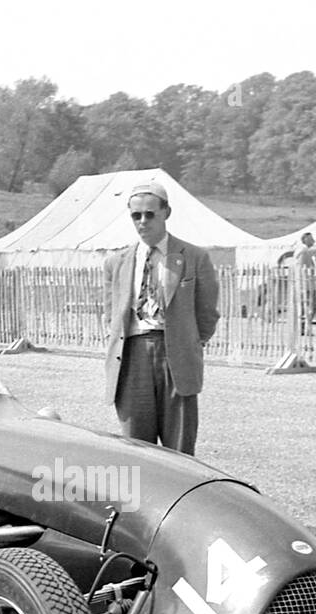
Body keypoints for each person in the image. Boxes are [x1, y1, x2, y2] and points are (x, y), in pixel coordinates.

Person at [103, 179, 220, 455]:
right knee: (136, 448)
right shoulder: (116, 262)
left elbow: (207, 313)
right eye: (136, 215)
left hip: (176, 355)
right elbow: (112, 314)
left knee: (179, 449)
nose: (143, 221)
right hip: (132, 356)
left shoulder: (194, 257)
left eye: (149, 214)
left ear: (166, 213)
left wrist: (188, 343)